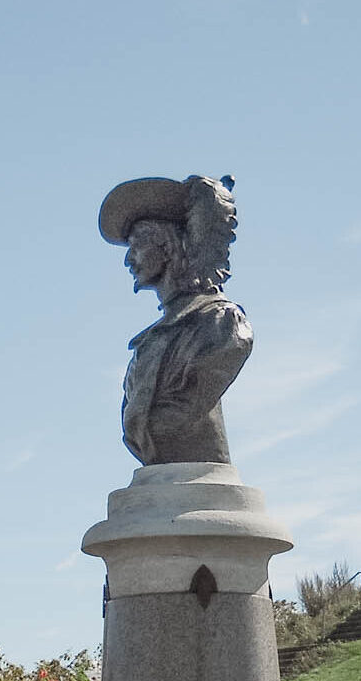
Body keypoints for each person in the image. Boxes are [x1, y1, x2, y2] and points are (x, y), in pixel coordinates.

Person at [99, 176, 251, 465]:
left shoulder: (220, 323)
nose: (128, 260)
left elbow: (174, 419)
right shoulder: (147, 344)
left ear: (166, 247)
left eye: (136, 247)